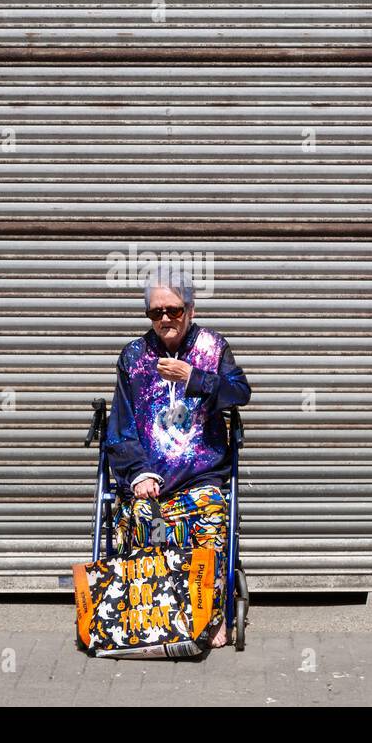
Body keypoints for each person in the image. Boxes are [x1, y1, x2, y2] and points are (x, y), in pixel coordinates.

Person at [102, 264, 251, 649]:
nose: (165, 318)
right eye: (156, 312)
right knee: (135, 521)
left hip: (200, 476)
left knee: (209, 518)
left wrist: (194, 377)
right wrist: (138, 472)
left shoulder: (212, 347)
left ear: (191, 309)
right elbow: (120, 425)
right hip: (150, 479)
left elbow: (240, 393)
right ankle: (152, 616)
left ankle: (209, 615)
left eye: (174, 310)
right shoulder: (133, 356)